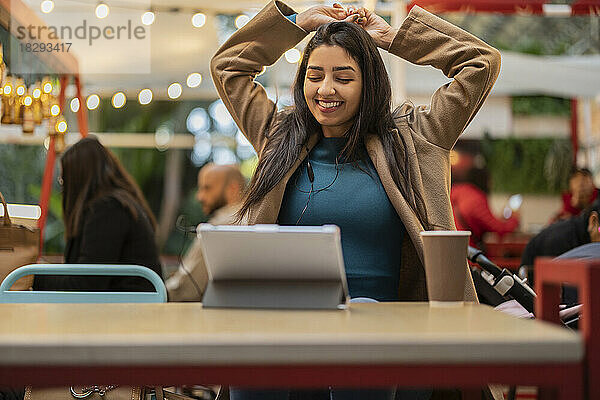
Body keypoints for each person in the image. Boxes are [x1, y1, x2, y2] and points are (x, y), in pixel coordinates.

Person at [211, 1, 500, 399]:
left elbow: (481, 62)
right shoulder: (279, 135)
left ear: (369, 83)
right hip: (292, 328)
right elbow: (229, 66)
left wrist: (395, 37)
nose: (325, 89)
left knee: (361, 328)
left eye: (343, 77)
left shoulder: (417, 137)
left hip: (390, 338)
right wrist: (296, 23)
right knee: (253, 366)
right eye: (315, 75)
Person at [33, 136, 163, 292]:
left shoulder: (108, 210)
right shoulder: (119, 205)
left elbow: (85, 285)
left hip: (125, 311)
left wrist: (29, 275)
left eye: (64, 180)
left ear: (77, 180)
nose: (63, 190)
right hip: (133, 307)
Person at [166, 163, 246, 301]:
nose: (200, 197)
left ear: (232, 189)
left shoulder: (220, 226)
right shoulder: (252, 218)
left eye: (207, 188)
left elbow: (185, 287)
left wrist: (156, 292)